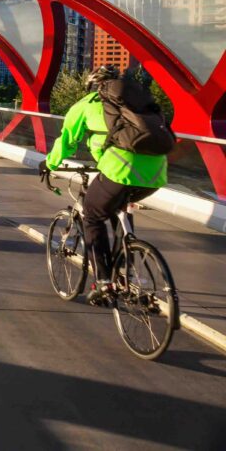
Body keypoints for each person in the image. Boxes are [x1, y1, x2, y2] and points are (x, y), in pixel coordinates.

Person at [40, 66, 168, 306]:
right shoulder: (136, 103)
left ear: (92, 86)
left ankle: (103, 283)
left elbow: (67, 141)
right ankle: (124, 269)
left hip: (120, 168)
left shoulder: (88, 103)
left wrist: (49, 163)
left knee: (92, 215)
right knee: (119, 207)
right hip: (157, 172)